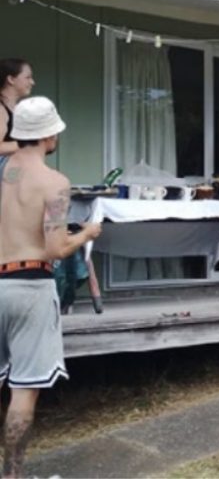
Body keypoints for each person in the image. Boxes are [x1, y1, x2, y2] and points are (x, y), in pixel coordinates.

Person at [0, 97, 102, 477]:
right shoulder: (54, 183)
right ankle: (12, 475)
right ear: (48, 134)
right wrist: (88, 232)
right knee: (23, 390)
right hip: (29, 287)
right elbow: (55, 249)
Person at [0, 59, 35, 160]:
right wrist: (28, 142)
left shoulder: (17, 109)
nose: (32, 82)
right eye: (27, 77)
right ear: (11, 79)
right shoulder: (1, 110)